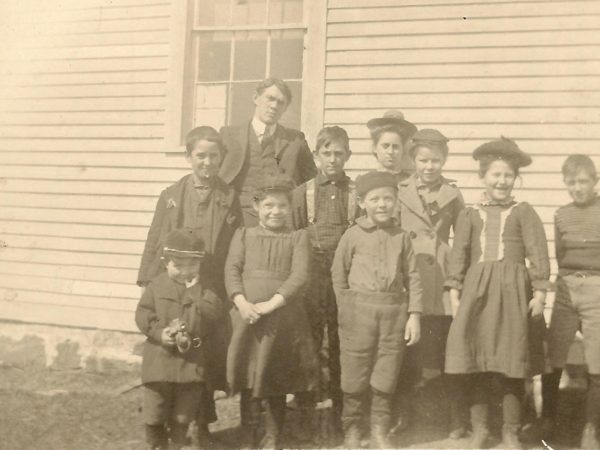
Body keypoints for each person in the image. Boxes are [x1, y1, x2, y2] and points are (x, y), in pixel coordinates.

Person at [444, 137, 551, 449]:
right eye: (495, 175)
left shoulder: (523, 212)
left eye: (508, 175)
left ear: (515, 179)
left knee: (512, 365)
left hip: (514, 296)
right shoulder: (470, 214)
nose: (502, 181)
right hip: (478, 297)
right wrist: (455, 289)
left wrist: (540, 293)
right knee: (478, 362)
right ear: (482, 177)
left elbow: (538, 253)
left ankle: (510, 430)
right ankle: (480, 429)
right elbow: (459, 254)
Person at [137, 126, 241, 441]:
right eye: (201, 156)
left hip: (208, 284)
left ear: (221, 158)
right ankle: (164, 417)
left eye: (213, 156)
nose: (207, 163)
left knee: (204, 351)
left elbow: (234, 243)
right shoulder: (170, 196)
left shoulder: (229, 197)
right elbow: (155, 237)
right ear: (188, 157)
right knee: (172, 347)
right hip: (172, 278)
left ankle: (201, 422)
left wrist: (230, 286)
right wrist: (147, 279)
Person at [225, 174, 318, 450]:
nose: (275, 211)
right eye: (268, 205)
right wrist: (241, 302)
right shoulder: (243, 235)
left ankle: (272, 436)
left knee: (274, 375)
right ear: (256, 207)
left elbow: (299, 276)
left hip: (282, 317)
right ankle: (249, 432)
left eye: (281, 206)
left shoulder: (298, 237)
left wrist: (272, 303)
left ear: (290, 209)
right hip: (247, 317)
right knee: (249, 372)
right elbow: (232, 270)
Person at [331, 171, 423, 448]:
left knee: (386, 371)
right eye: (375, 199)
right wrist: (347, 307)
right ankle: (353, 431)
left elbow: (414, 277)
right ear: (362, 202)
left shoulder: (402, 237)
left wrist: (414, 316)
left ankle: (379, 432)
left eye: (388, 199)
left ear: (396, 202)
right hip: (358, 312)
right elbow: (338, 274)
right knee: (354, 372)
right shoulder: (352, 235)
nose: (382, 204)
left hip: (393, 311)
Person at [396, 129, 468, 439]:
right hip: (408, 275)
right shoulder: (399, 190)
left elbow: (464, 238)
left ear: (444, 161)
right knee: (406, 351)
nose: (429, 166)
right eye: (423, 160)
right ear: (413, 159)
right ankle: (405, 417)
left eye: (435, 161)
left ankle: (450, 418)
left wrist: (458, 279)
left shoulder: (452, 193)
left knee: (439, 349)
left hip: (439, 275)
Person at [290, 126, 358, 444]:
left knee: (341, 339)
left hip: (345, 272)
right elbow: (294, 236)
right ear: (317, 156)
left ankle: (342, 412)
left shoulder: (356, 192)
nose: (333, 159)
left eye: (339, 153)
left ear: (348, 156)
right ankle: (306, 408)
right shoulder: (302, 192)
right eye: (327, 153)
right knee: (310, 338)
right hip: (313, 271)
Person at [135, 229, 223, 450]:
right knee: (154, 413)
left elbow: (214, 315)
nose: (185, 271)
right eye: (178, 265)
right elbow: (143, 315)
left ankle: (177, 444)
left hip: (191, 365)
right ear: (166, 262)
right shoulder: (157, 285)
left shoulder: (205, 288)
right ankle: (156, 444)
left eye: (192, 265)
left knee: (183, 416)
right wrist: (158, 333)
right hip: (160, 362)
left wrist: (195, 294)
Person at [541, 154, 600, 449]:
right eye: (571, 182)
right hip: (566, 287)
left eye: (583, 181)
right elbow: (561, 256)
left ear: (595, 182)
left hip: (597, 288)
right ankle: (548, 420)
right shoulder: (561, 214)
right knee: (554, 356)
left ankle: (591, 428)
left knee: (597, 361)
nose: (577, 188)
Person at [219, 78, 317, 226]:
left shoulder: (295, 140)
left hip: (279, 220)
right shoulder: (229, 135)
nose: (274, 106)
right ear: (256, 98)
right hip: (237, 217)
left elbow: (311, 181)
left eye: (281, 102)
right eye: (270, 98)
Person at [367, 109, 418, 184]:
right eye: (385, 146)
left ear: (403, 149)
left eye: (395, 147)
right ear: (374, 148)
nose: (390, 152)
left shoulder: (411, 182)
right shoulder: (366, 180)